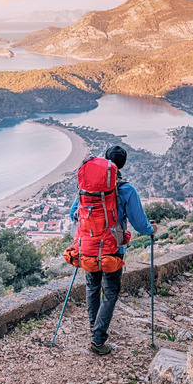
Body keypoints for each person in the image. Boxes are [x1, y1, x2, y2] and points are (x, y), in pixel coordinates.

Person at [70, 145, 158, 355]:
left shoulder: (88, 188)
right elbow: (139, 224)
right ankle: (98, 340)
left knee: (92, 287)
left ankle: (94, 328)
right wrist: (151, 229)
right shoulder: (127, 189)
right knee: (110, 290)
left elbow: (74, 213)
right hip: (112, 249)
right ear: (123, 165)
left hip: (88, 246)